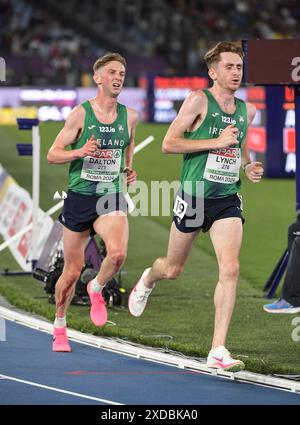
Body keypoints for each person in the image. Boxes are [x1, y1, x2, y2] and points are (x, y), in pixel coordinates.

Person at [128, 41, 264, 372]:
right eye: (229, 67)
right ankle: (148, 278)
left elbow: (239, 144)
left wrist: (248, 166)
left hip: (227, 198)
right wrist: (214, 142)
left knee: (230, 268)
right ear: (212, 71)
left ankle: (218, 348)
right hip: (193, 197)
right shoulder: (198, 100)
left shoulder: (248, 110)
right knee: (173, 269)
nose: (236, 72)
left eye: (239, 67)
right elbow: (168, 144)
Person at [47, 52, 138, 352]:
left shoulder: (130, 117)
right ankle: (60, 325)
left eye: (122, 73)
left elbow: (127, 147)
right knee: (71, 271)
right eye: (112, 72)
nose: (118, 77)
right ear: (98, 77)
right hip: (80, 197)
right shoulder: (81, 114)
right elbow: (53, 153)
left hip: (109, 196)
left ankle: (96, 286)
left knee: (118, 254)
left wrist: (128, 168)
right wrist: (79, 152)